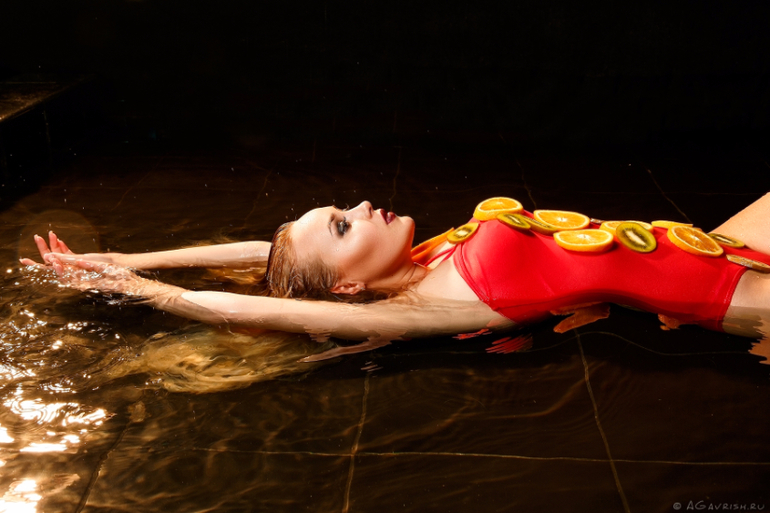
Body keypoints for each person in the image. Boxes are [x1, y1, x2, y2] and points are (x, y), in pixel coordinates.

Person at [20, 193, 770, 361]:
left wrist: (128, 257)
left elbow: (261, 252)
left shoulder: (429, 258)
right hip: (740, 297)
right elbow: (235, 306)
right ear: (347, 290)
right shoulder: (421, 308)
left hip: (718, 246)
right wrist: (136, 291)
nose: (360, 207)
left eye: (340, 208)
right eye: (343, 226)